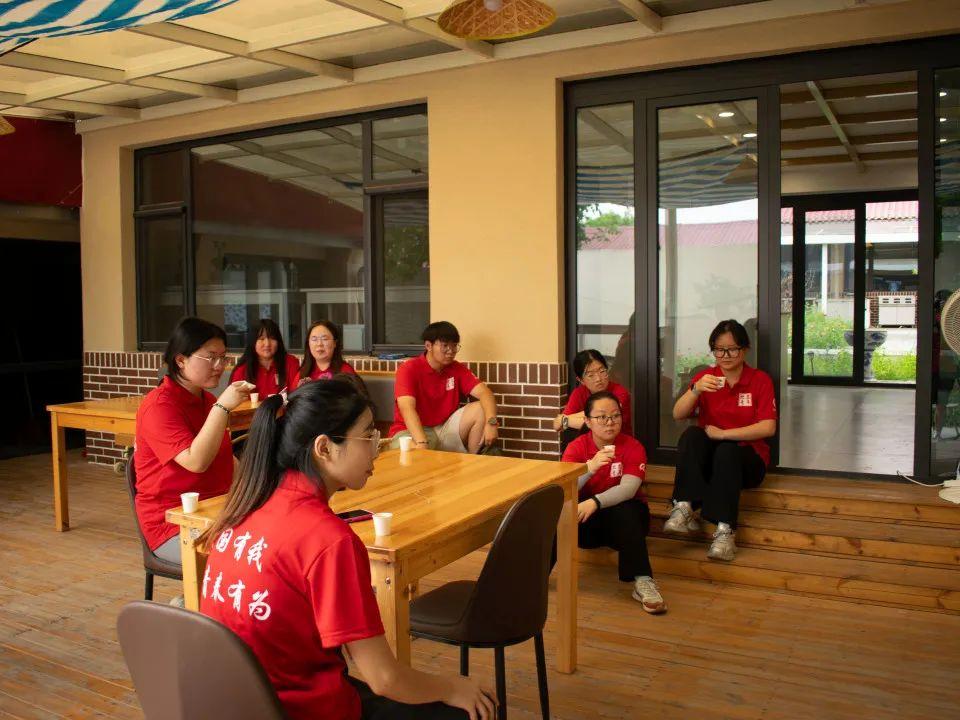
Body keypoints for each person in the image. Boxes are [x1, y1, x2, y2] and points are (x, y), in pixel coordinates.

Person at [198, 380, 496, 720]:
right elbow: (384, 678)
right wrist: (454, 687)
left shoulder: (243, 508)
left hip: (242, 705)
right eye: (368, 436)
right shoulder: (328, 539)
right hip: (302, 710)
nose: (377, 448)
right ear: (324, 448)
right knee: (476, 709)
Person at [134, 317, 251, 564]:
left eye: (223, 358)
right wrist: (222, 407)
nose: (219, 366)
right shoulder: (159, 406)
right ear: (181, 360)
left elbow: (224, 458)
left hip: (217, 511)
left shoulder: (207, 401)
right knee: (251, 557)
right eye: (211, 358)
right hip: (173, 525)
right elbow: (196, 462)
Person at [667, 319, 777, 562]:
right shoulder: (706, 377)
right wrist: (695, 390)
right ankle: (684, 506)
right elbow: (677, 414)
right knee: (691, 435)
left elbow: (768, 427)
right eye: (719, 350)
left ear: (745, 349)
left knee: (727, 450)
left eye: (732, 349)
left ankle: (725, 531)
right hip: (714, 463)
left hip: (748, 463)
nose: (725, 356)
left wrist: (724, 434)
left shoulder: (759, 380)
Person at [560, 391, 664, 614]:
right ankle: (532, 578)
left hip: (626, 524)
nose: (610, 422)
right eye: (602, 417)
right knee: (557, 515)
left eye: (615, 416)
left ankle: (643, 581)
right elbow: (565, 490)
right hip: (587, 522)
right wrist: (589, 469)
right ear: (587, 421)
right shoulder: (576, 448)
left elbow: (628, 489)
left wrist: (594, 502)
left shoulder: (633, 446)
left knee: (627, 509)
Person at [389, 321, 499, 454]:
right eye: (445, 345)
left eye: (454, 346)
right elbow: (407, 408)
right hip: (410, 431)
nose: (451, 351)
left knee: (481, 408)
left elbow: (485, 393)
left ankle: (474, 459)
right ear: (428, 346)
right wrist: (422, 442)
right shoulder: (409, 368)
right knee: (412, 454)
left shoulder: (456, 368)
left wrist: (491, 423)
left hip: (443, 429)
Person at [553, 349, 632, 453]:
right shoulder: (579, 393)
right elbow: (557, 425)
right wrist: (564, 420)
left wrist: (565, 420)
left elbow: (602, 424)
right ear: (581, 380)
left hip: (618, 446)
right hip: (588, 448)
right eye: (591, 375)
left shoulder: (620, 392)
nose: (598, 378)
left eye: (602, 371)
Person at [231, 319, 300, 398]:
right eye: (261, 338)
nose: (267, 344)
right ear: (253, 342)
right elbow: (233, 401)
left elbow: (298, 396)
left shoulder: (291, 363)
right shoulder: (242, 370)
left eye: (272, 338)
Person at [298, 320, 357, 388]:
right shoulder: (303, 372)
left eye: (325, 339)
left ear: (335, 343)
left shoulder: (345, 371)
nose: (319, 344)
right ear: (308, 344)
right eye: (314, 339)